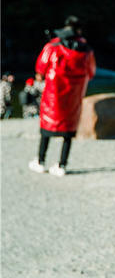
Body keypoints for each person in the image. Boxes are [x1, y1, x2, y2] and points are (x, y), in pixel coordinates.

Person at [29, 16, 96, 176]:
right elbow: (91, 72)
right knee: (68, 131)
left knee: (46, 129)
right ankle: (62, 164)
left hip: (53, 97)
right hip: (73, 97)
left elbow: (40, 69)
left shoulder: (52, 46)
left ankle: (40, 161)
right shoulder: (86, 50)